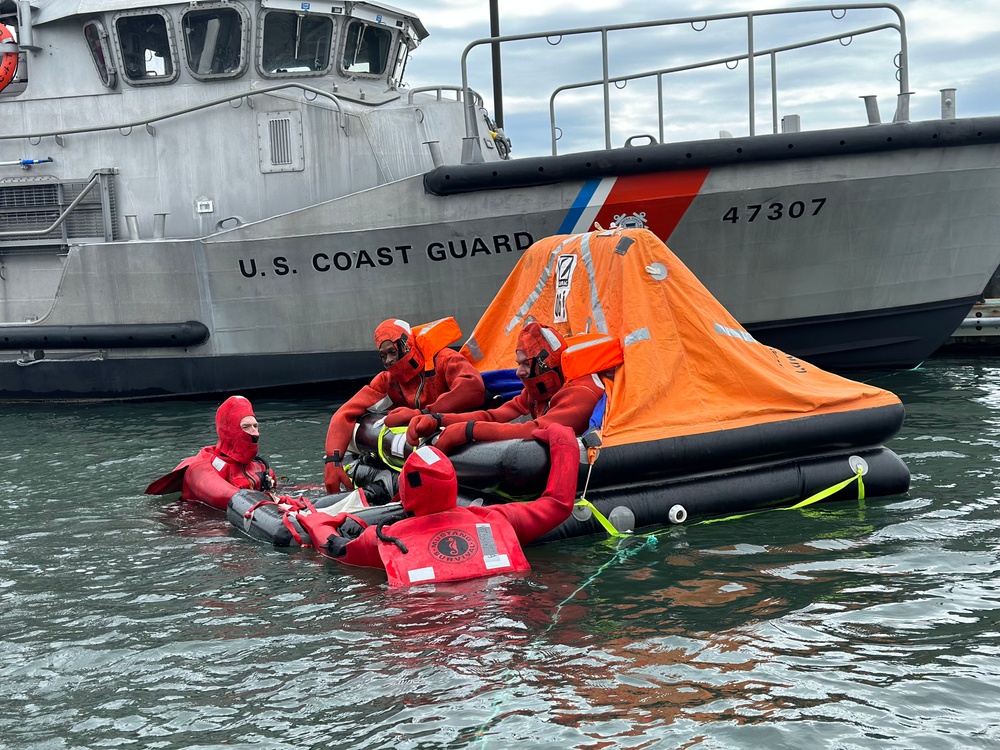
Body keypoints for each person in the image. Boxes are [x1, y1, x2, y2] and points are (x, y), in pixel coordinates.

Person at [299, 423, 579, 586]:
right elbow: (558, 504)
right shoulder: (496, 519)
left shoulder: (383, 540)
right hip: (497, 623)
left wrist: (317, 522)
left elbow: (333, 547)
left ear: (406, 492)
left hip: (425, 636)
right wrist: (564, 443)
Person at [324, 317, 486, 493]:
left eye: (392, 352)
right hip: (418, 445)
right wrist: (333, 460)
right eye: (383, 356)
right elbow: (345, 413)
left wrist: (424, 413)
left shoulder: (445, 359)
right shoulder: (388, 381)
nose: (388, 361)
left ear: (405, 345)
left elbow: (473, 389)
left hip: (461, 435)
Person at [403, 321, 605, 454]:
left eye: (525, 364)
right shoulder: (539, 393)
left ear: (545, 363)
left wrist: (468, 431)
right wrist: (438, 419)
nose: (519, 372)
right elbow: (495, 416)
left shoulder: (581, 394)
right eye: (519, 364)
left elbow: (534, 430)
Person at [146, 395, 291, 511]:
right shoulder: (200, 469)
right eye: (246, 427)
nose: (255, 432)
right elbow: (225, 496)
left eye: (255, 426)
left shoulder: (261, 468)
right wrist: (273, 501)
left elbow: (277, 491)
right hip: (205, 530)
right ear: (228, 430)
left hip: (250, 519)